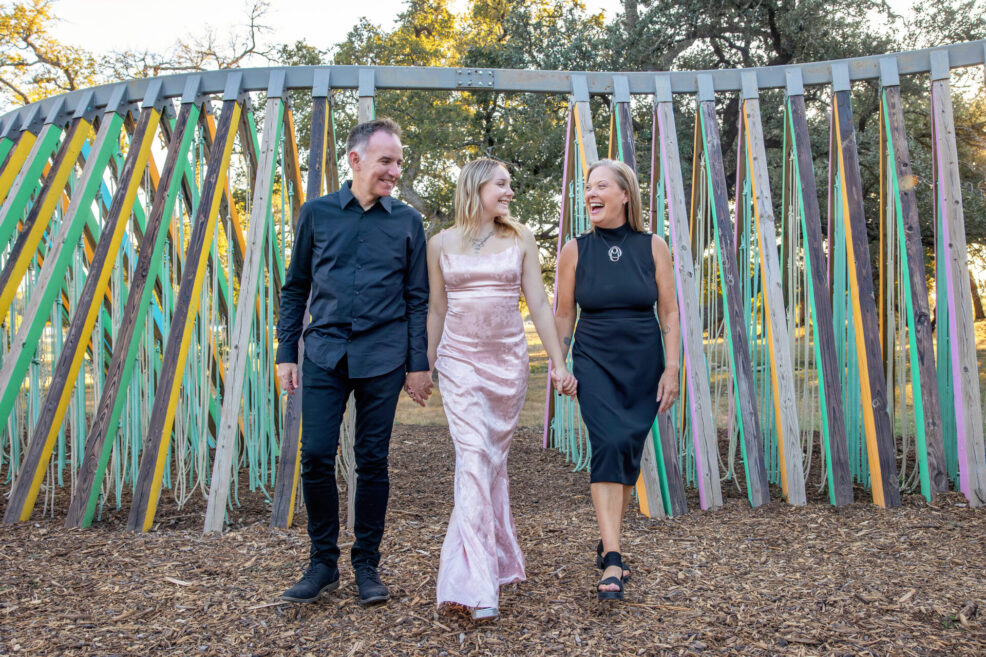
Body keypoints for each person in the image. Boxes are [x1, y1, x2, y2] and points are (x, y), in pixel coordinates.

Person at [275, 118, 433, 606]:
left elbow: (417, 299)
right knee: (316, 455)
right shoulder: (316, 214)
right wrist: (285, 353)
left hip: (383, 357)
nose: (394, 171)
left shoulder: (408, 222)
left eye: (399, 162)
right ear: (356, 159)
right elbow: (296, 287)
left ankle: (367, 564)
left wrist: (418, 364)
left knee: (372, 461)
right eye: (386, 161)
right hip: (324, 353)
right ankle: (322, 563)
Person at [427, 158, 577, 621]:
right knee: (473, 458)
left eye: (510, 185)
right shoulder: (439, 244)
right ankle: (478, 585)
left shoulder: (521, 237)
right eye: (502, 184)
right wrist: (423, 365)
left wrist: (558, 363)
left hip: (507, 364)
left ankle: (496, 559)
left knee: (489, 466)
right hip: (459, 362)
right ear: (476, 187)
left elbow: (539, 304)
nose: (510, 192)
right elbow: (436, 309)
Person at [553, 158, 680, 602]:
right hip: (595, 360)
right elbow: (563, 313)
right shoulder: (574, 250)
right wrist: (560, 362)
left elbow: (669, 311)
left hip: (643, 363)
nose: (591, 193)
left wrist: (672, 368)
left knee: (627, 447)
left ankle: (609, 541)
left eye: (601, 186)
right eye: (588, 187)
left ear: (625, 195)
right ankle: (612, 557)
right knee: (608, 443)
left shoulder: (653, 246)